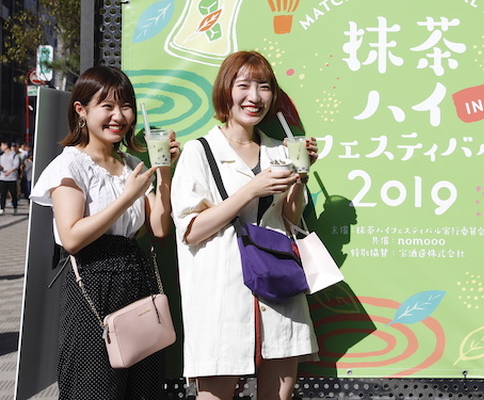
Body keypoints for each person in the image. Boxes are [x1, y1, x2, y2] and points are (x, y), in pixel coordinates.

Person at [171, 51, 318, 400]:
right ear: (226, 90)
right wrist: (251, 189)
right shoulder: (199, 152)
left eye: (264, 87)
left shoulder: (280, 151)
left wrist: (300, 176)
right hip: (221, 293)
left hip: (279, 290)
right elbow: (191, 230)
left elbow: (290, 220)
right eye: (244, 86)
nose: (254, 97)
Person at [29, 65, 180, 399]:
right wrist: (127, 197)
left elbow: (159, 228)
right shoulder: (70, 165)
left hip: (136, 281)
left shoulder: (130, 164)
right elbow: (72, 238)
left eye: (125, 106)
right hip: (92, 282)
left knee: (142, 388)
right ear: (81, 110)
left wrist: (164, 174)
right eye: (107, 106)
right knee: (94, 386)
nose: (119, 116)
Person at [0, 141, 22, 215]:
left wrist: (9, 171)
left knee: (13, 194)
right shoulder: (2, 156)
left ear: (6, 145)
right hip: (3, 177)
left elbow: (16, 165)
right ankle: (2, 208)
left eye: (2, 145)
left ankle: (15, 208)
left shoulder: (14, 155)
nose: (1, 147)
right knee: (3, 194)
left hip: (12, 178)